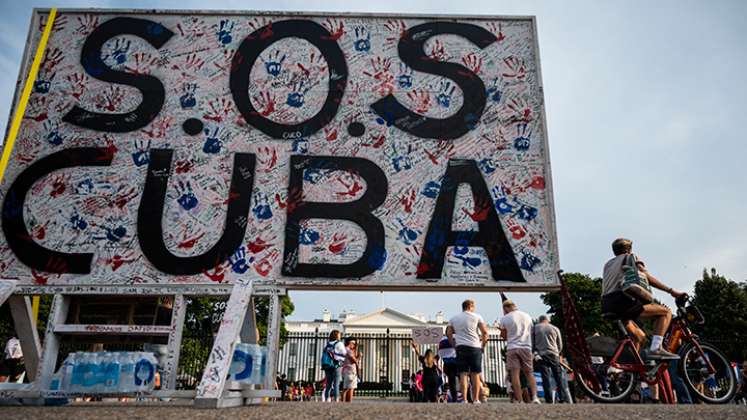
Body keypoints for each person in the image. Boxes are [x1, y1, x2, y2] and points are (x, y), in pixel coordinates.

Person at [602, 238, 685, 359]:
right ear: (629, 249)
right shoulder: (631, 257)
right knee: (665, 312)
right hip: (622, 301)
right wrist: (671, 291)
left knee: (639, 337)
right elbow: (646, 276)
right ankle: (656, 348)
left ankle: (630, 369)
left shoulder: (608, 265)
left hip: (606, 304)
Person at [446, 299, 488, 404]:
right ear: (471, 306)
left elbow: (448, 333)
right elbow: (485, 332)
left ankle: (464, 399)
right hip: (475, 347)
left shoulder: (453, 318)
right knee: (475, 374)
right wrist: (482, 345)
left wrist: (454, 345)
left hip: (461, 347)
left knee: (463, 374)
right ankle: (476, 399)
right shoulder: (477, 316)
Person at [499, 299, 540, 404]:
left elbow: (503, 336)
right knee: (529, 373)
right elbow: (530, 331)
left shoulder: (504, 318)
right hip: (526, 346)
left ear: (506, 308)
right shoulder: (527, 316)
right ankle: (535, 397)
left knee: (514, 374)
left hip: (512, 347)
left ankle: (520, 400)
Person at [533, 314, 569, 403]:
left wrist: (535, 353)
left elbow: (532, 343)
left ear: (539, 320)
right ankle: (562, 398)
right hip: (553, 354)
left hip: (541, 355)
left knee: (545, 378)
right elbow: (560, 344)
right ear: (548, 320)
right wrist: (558, 352)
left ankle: (548, 399)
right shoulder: (555, 328)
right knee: (558, 378)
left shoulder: (534, 328)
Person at [321, 329, 346, 402]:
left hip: (327, 365)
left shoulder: (328, 344)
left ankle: (327, 398)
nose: (340, 335)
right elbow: (344, 353)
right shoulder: (339, 343)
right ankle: (336, 399)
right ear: (336, 336)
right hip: (337, 365)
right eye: (339, 334)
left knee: (328, 383)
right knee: (336, 384)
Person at [437, 334, 458, 402]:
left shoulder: (442, 339)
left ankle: (455, 398)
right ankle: (465, 397)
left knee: (452, 382)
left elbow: (439, 352)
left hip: (447, 363)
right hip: (456, 361)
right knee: (462, 379)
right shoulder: (457, 336)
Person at [341, 337, 360, 402]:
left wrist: (355, 349)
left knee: (347, 388)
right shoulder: (348, 351)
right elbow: (355, 361)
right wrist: (359, 356)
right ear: (350, 343)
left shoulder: (346, 350)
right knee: (349, 389)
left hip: (347, 371)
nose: (354, 346)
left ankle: (345, 403)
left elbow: (353, 358)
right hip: (350, 372)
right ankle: (347, 403)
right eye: (354, 344)